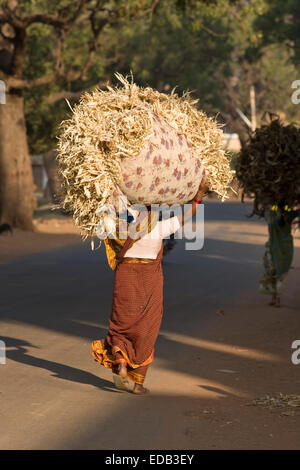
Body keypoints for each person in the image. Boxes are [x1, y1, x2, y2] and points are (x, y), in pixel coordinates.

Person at [91, 174, 209, 394]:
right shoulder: (160, 227)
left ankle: (121, 360)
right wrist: (200, 193)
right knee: (146, 328)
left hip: (126, 276)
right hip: (150, 281)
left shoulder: (120, 227)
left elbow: (109, 203)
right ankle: (138, 384)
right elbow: (189, 214)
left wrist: (111, 183)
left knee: (121, 323)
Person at [255, 200, 300, 307]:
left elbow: (257, 211)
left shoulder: (270, 215)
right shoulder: (288, 215)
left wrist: (257, 200)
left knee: (273, 272)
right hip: (285, 250)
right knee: (280, 274)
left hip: (274, 249)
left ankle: (275, 298)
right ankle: (276, 298)